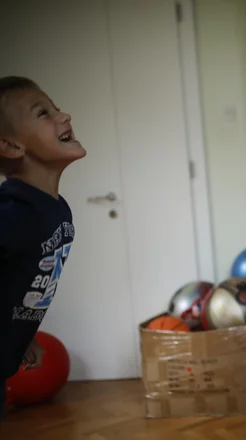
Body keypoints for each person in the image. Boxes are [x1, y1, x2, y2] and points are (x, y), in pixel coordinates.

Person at [0, 76, 86, 415]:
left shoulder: (55, 208)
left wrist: (20, 333)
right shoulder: (13, 213)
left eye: (57, 108)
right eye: (44, 113)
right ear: (10, 146)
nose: (64, 116)